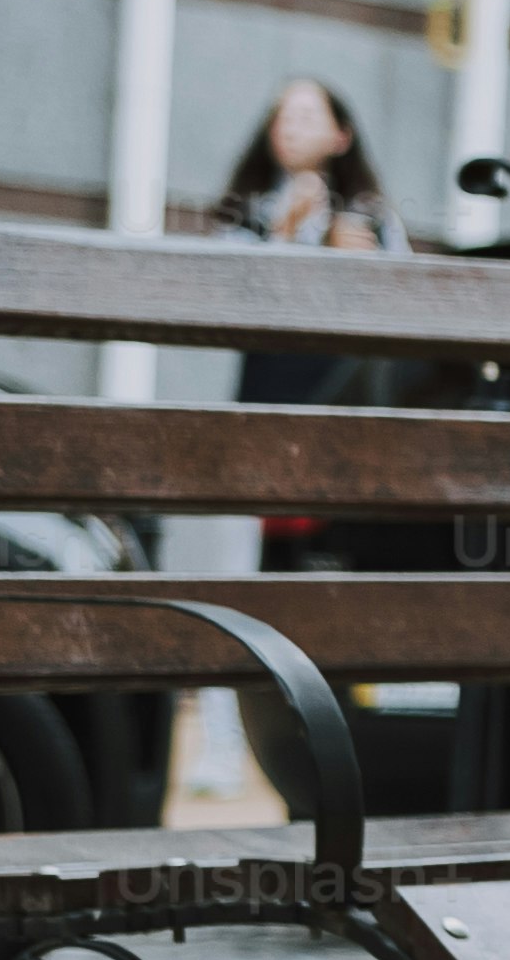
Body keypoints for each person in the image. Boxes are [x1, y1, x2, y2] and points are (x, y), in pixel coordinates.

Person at [162, 79, 400, 814]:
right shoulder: (244, 219)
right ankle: (227, 749)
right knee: (235, 592)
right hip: (258, 430)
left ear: (341, 135)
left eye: (309, 114)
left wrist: (355, 258)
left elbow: (399, 308)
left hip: (336, 441)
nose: (293, 126)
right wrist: (284, 240)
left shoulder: (373, 221)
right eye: (283, 115)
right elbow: (222, 304)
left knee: (321, 598)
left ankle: (331, 746)